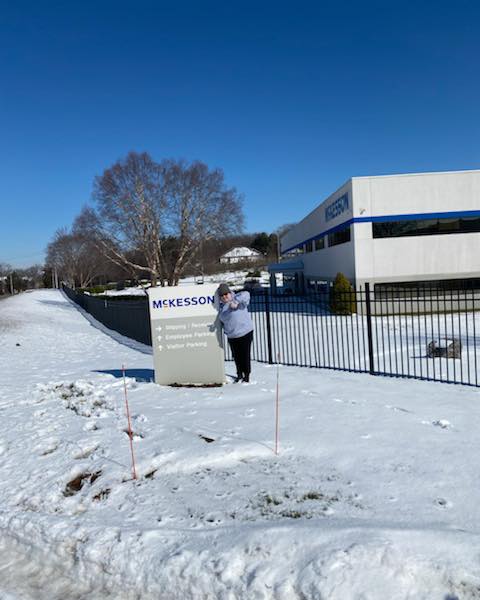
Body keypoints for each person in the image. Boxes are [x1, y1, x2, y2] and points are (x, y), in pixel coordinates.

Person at [217, 283, 254, 383]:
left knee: (245, 355)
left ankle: (246, 375)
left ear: (230, 293)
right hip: (232, 336)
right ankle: (239, 374)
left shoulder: (238, 299)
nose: (225, 297)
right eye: (222, 296)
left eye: (226, 294)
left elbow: (247, 294)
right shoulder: (221, 308)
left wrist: (236, 302)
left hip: (245, 333)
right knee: (236, 356)